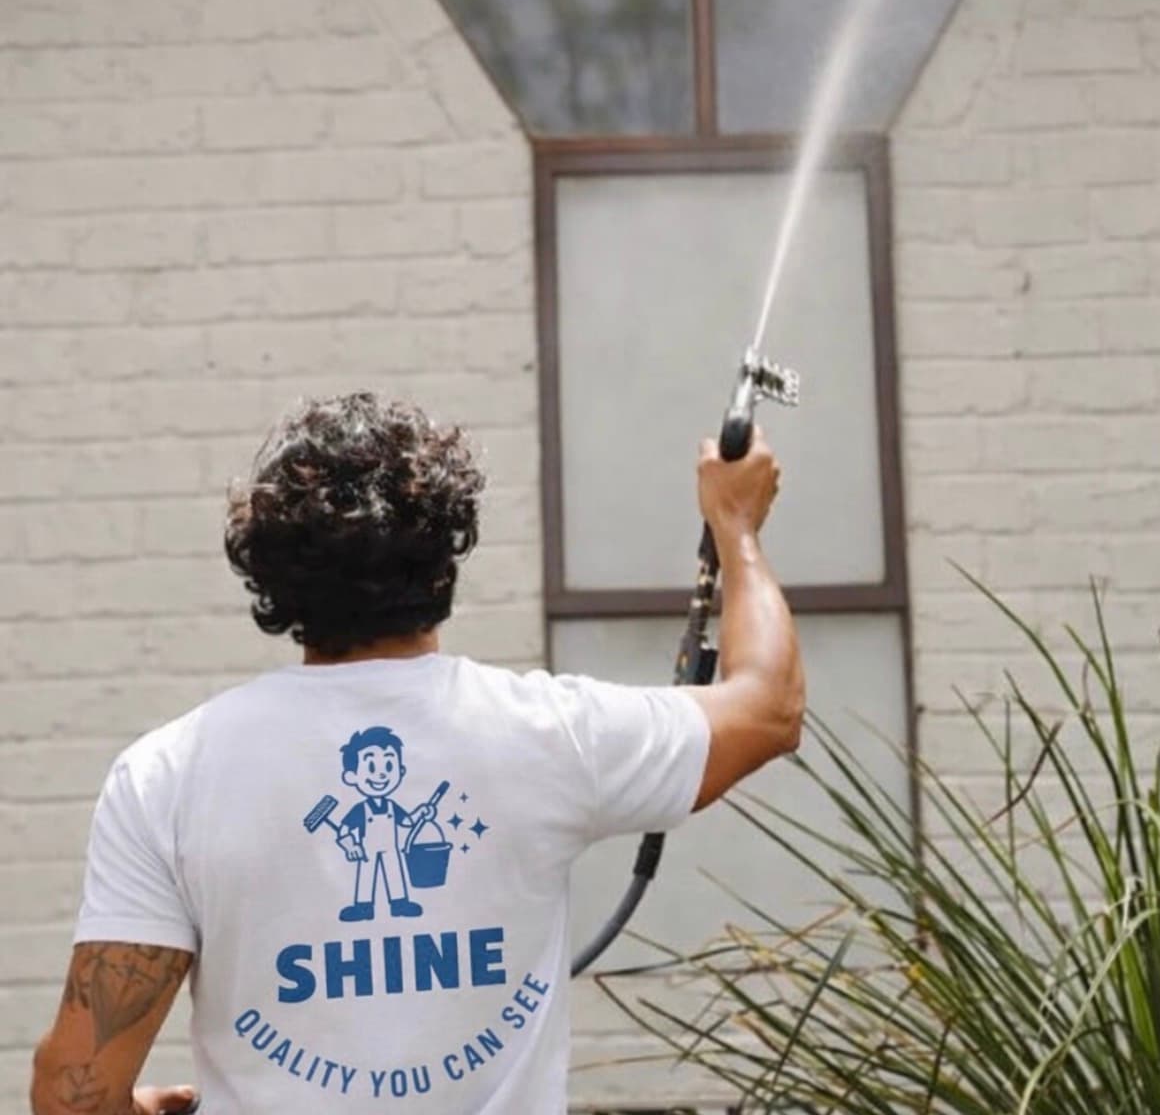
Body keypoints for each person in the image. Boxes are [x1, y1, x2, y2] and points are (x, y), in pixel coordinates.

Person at [30, 392, 804, 1115]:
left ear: (270, 579)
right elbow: (768, 707)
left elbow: (76, 1091)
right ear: (445, 563)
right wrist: (734, 524)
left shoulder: (168, 775)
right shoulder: (547, 733)